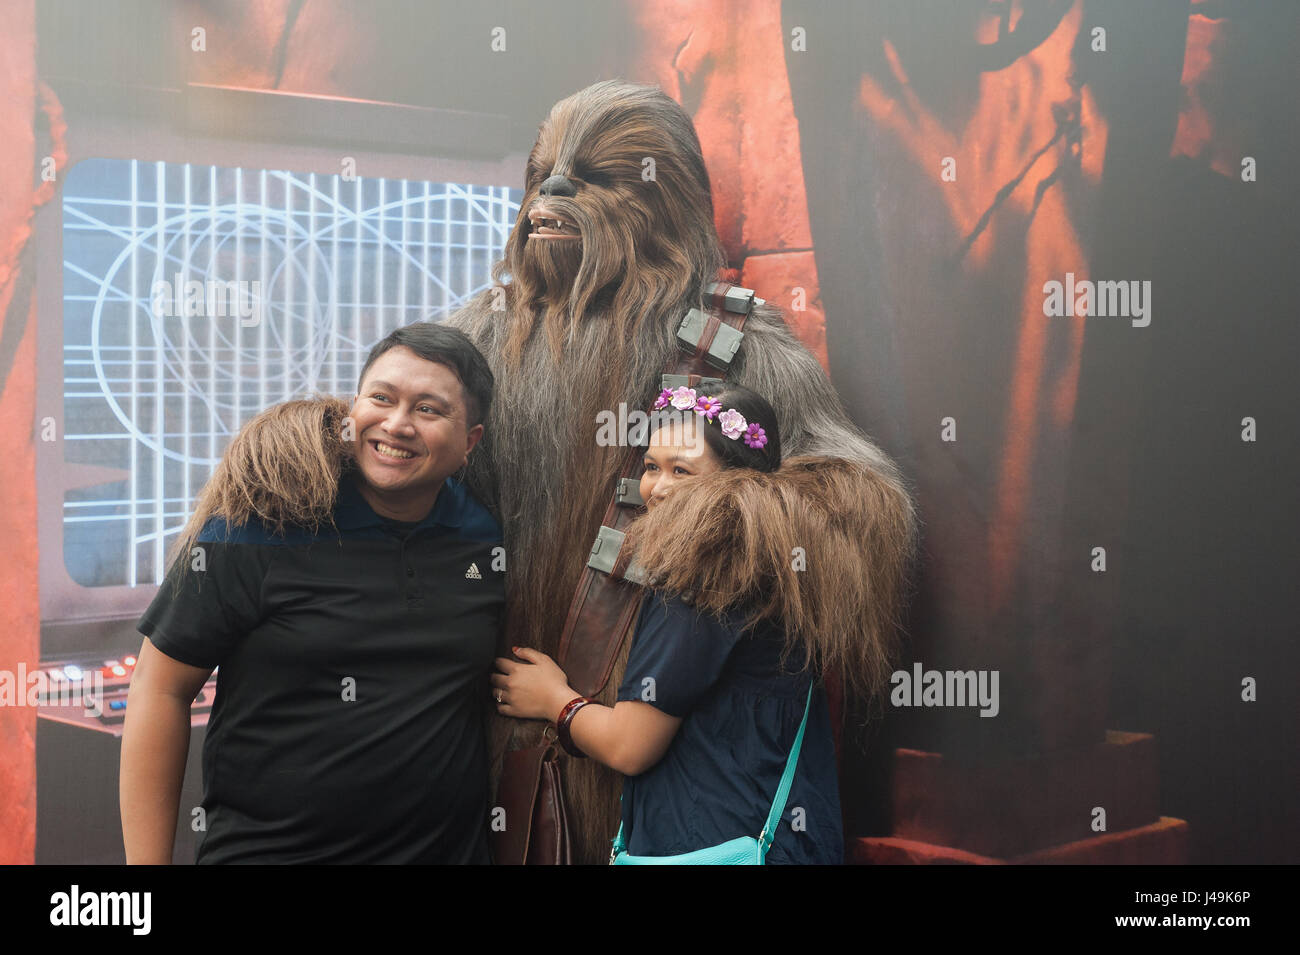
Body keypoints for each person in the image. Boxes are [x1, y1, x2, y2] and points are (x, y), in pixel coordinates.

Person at [120, 322, 503, 863]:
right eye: (381, 398)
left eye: (429, 409)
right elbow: (159, 691)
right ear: (354, 407)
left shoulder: (486, 540)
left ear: (470, 442)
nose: (397, 425)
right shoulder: (259, 525)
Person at [492, 383, 889, 864]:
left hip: (706, 845)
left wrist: (555, 700)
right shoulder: (778, 565)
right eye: (651, 467)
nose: (658, 488)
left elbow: (629, 746)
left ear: (736, 477)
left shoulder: (704, 576)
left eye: (682, 470)